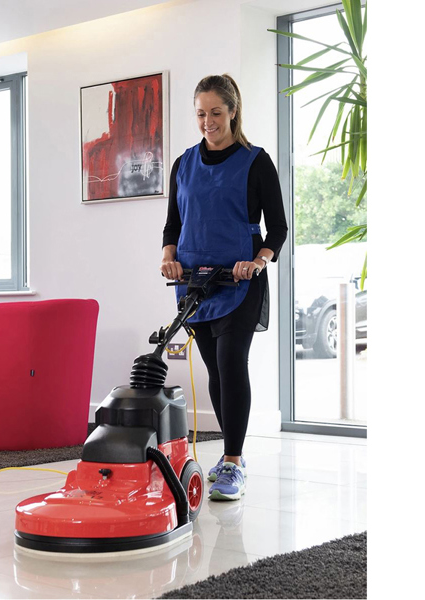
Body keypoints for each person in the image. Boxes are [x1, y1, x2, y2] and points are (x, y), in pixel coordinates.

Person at [160, 74, 287, 501]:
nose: (208, 121)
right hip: (194, 283)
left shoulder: (256, 161)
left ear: (233, 111)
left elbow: (278, 228)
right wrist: (168, 256)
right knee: (215, 370)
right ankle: (231, 456)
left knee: (232, 363)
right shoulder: (184, 164)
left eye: (216, 112)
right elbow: (173, 224)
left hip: (238, 281)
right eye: (201, 114)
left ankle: (232, 461)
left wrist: (258, 261)